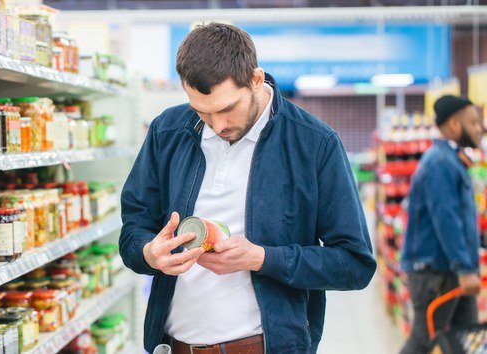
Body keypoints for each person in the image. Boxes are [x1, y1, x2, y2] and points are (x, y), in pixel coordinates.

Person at [119, 23, 376, 354]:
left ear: (256, 80)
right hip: (174, 346)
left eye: (227, 109)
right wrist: (148, 253)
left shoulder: (314, 143)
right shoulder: (167, 132)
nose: (217, 126)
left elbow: (354, 264)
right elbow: (132, 233)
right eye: (202, 112)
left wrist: (262, 258)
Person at [400, 95, 483, 354]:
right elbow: (446, 220)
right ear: (455, 126)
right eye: (474, 122)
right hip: (435, 273)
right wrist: (465, 268)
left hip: (452, 271)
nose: (480, 128)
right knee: (424, 342)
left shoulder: (451, 160)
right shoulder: (440, 163)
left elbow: (462, 219)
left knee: (465, 339)